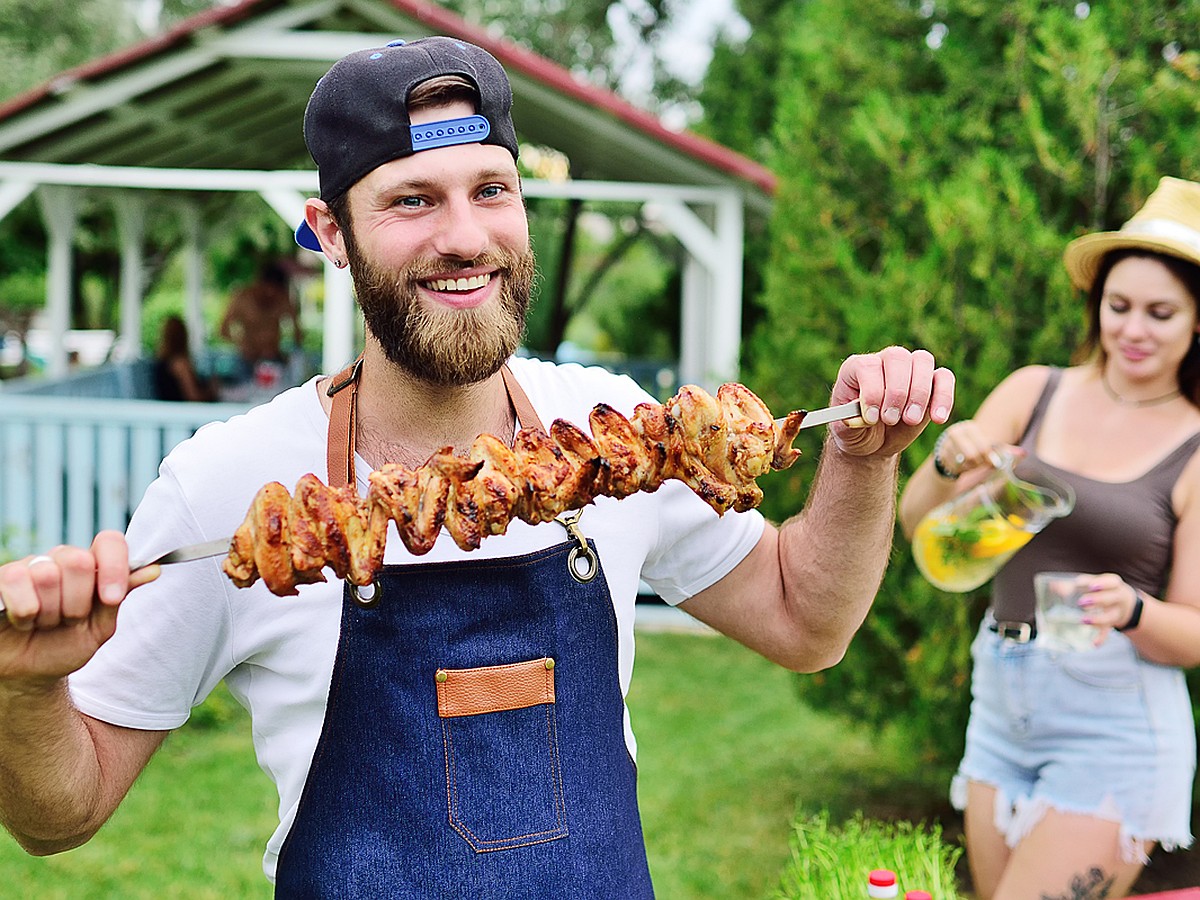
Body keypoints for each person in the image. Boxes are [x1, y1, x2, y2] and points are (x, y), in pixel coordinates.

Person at [0, 37, 953, 895]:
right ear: (330, 233)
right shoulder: (236, 483)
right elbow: (60, 815)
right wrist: (26, 688)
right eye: (412, 199)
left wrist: (863, 464)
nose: (464, 236)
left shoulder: (614, 429)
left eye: (490, 190)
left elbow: (806, 621)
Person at [898, 176, 1200, 900]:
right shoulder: (1035, 390)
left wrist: (1128, 608)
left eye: (1161, 313)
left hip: (1114, 724)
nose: (1132, 329)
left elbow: (1193, 633)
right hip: (1003, 700)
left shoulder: (1195, 446)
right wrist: (948, 462)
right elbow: (917, 523)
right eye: (1118, 306)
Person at [219, 258, 303, 373]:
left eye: (275, 292)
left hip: (275, 360)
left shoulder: (283, 299)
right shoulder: (242, 298)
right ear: (259, 283)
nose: (271, 295)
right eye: (267, 290)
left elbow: (298, 331)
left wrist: (292, 353)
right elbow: (223, 329)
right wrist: (242, 345)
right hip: (246, 361)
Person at [153, 314, 218, 402]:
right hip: (183, 411)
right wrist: (212, 390)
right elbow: (194, 397)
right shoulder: (180, 363)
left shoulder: (161, 361)